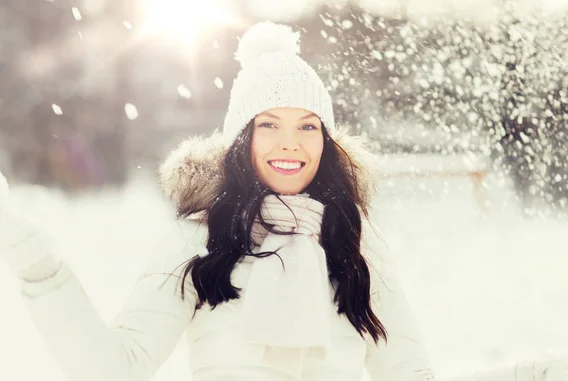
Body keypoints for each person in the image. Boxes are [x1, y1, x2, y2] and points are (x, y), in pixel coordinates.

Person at [0, 21, 436, 381]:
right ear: (241, 139)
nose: (291, 145)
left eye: (308, 127)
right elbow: (115, 368)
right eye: (268, 125)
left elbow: (408, 371)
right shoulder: (200, 238)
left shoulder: (353, 238)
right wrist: (41, 270)